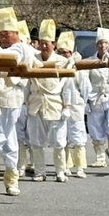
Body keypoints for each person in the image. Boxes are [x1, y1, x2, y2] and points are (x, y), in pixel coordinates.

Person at [0, 7, 34, 195]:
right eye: (1, 34)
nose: (3, 38)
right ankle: (9, 180)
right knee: (9, 139)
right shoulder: (4, 48)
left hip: (9, 98)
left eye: (7, 34)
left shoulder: (21, 48)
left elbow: (10, 58)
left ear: (16, 34)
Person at [26, 19, 74, 182]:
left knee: (58, 141)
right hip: (36, 103)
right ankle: (40, 171)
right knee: (36, 141)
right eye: (42, 43)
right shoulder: (32, 60)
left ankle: (60, 171)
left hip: (54, 104)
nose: (44, 46)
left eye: (47, 43)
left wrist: (67, 106)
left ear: (53, 44)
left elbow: (67, 86)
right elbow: (27, 84)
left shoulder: (62, 62)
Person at [86, 27, 109, 167]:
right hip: (95, 99)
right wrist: (86, 101)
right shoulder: (89, 62)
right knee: (96, 128)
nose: (103, 46)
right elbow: (85, 82)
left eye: (105, 43)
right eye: (100, 43)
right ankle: (100, 156)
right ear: (96, 45)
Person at [56, 31, 89, 178]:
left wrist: (82, 103)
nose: (64, 55)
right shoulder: (56, 65)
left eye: (67, 52)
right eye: (61, 52)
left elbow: (86, 88)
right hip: (59, 105)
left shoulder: (79, 67)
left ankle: (80, 166)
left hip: (75, 106)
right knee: (63, 137)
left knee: (78, 137)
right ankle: (66, 165)